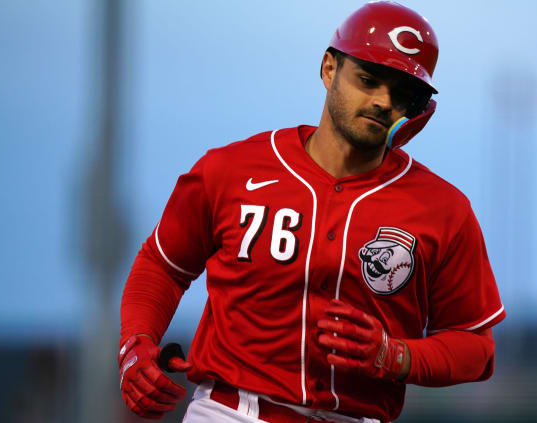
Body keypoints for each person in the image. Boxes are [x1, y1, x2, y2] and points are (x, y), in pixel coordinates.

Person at [117, 2, 506, 422]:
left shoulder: (443, 209)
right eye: (368, 80)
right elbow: (163, 264)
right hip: (231, 410)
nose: (381, 101)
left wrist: (396, 356)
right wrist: (135, 343)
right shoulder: (230, 170)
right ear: (328, 68)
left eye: (401, 94)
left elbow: (475, 348)